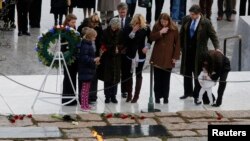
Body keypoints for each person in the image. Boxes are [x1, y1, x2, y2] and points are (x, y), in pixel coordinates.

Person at [179, 5, 220, 104]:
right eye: (190, 14)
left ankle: (196, 95)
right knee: (187, 72)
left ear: (198, 14)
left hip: (199, 53)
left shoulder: (205, 22)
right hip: (187, 52)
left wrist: (217, 47)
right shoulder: (186, 19)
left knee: (197, 74)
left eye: (192, 14)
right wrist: (180, 48)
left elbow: (213, 35)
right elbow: (181, 35)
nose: (191, 16)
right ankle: (187, 92)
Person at [150, 13, 180, 104]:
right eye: (162, 21)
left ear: (169, 21)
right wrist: (160, 32)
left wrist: (175, 57)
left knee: (166, 79)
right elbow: (151, 38)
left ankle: (166, 97)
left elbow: (178, 44)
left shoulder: (174, 29)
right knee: (157, 79)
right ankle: (157, 97)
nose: (163, 23)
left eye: (165, 22)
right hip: (157, 57)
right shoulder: (156, 26)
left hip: (168, 57)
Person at [124, 14, 151, 103]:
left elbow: (150, 39)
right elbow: (126, 41)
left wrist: (147, 47)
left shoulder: (146, 28)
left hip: (140, 54)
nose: (138, 24)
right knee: (129, 74)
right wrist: (133, 32)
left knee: (138, 74)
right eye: (136, 22)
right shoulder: (128, 27)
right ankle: (129, 94)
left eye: (139, 22)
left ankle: (136, 96)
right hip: (130, 54)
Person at [77, 13, 103, 104]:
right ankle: (84, 102)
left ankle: (91, 97)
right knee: (84, 85)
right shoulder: (82, 30)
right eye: (94, 23)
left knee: (92, 80)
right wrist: (93, 59)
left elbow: (100, 41)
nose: (96, 25)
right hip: (87, 64)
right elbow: (84, 57)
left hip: (93, 58)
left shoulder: (98, 28)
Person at [98, 18, 123, 104]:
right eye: (114, 26)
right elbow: (102, 44)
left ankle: (114, 96)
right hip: (107, 58)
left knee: (115, 78)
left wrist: (118, 48)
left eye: (117, 26)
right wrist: (111, 47)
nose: (116, 28)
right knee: (107, 78)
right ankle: (107, 96)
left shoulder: (120, 32)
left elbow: (123, 44)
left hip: (116, 59)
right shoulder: (105, 32)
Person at [78, 27, 100, 111]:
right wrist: (93, 60)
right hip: (85, 70)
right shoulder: (85, 45)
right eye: (94, 37)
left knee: (87, 89)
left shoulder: (88, 44)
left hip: (88, 70)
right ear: (90, 36)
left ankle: (86, 104)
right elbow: (84, 58)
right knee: (84, 89)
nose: (95, 38)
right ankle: (83, 106)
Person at [61, 14, 78, 106]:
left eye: (75, 22)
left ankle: (72, 98)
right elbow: (63, 44)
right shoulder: (64, 31)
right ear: (67, 21)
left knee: (73, 77)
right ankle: (66, 99)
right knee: (68, 77)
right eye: (72, 22)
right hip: (67, 57)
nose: (74, 24)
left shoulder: (74, 29)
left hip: (74, 57)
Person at [116, 2, 132, 99]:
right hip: (117, 50)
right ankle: (112, 93)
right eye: (121, 12)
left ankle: (125, 91)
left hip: (127, 51)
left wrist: (126, 47)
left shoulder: (131, 21)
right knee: (117, 71)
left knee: (126, 72)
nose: (122, 14)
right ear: (118, 11)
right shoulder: (113, 19)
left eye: (124, 12)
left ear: (126, 11)